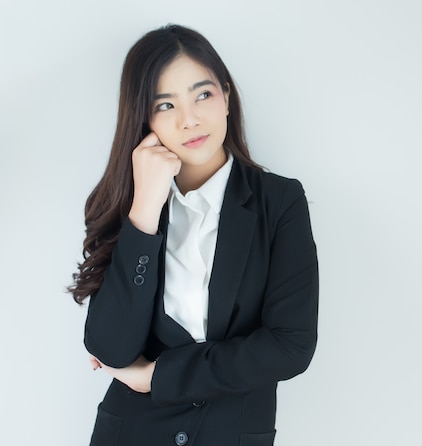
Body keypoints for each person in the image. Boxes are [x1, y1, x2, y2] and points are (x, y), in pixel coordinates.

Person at [68, 24, 318, 446]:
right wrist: (144, 208)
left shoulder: (279, 202)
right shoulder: (133, 204)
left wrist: (157, 377)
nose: (189, 119)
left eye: (203, 94)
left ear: (226, 96)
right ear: (145, 120)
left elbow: (289, 345)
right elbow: (110, 348)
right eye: (165, 105)